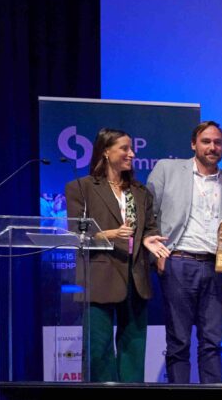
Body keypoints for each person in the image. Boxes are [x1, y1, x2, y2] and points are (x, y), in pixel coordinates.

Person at [65, 127, 170, 382]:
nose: (131, 154)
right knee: (98, 349)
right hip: (99, 276)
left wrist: (148, 239)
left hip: (135, 277)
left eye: (132, 148)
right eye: (124, 148)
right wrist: (109, 234)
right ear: (105, 152)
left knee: (134, 347)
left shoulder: (139, 191)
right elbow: (76, 234)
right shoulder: (82, 188)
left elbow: (148, 228)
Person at [146, 120, 222, 384]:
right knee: (178, 340)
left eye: (218, 142)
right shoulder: (167, 170)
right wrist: (157, 253)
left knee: (212, 342)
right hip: (179, 261)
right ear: (193, 144)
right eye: (206, 141)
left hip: (216, 267)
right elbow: (148, 213)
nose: (212, 147)